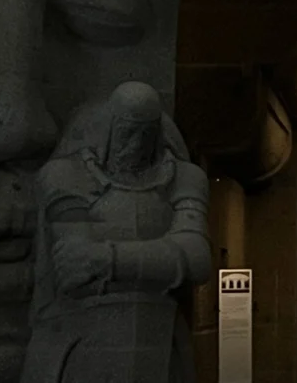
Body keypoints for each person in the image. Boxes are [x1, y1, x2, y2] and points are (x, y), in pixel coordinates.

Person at [22, 82, 211, 383]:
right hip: (80, 340)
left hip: (161, 341)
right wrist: (162, 259)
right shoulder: (66, 175)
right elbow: (73, 265)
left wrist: (107, 259)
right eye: (127, 132)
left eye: (145, 134)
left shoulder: (184, 178)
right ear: (108, 127)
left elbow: (197, 258)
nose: (135, 145)